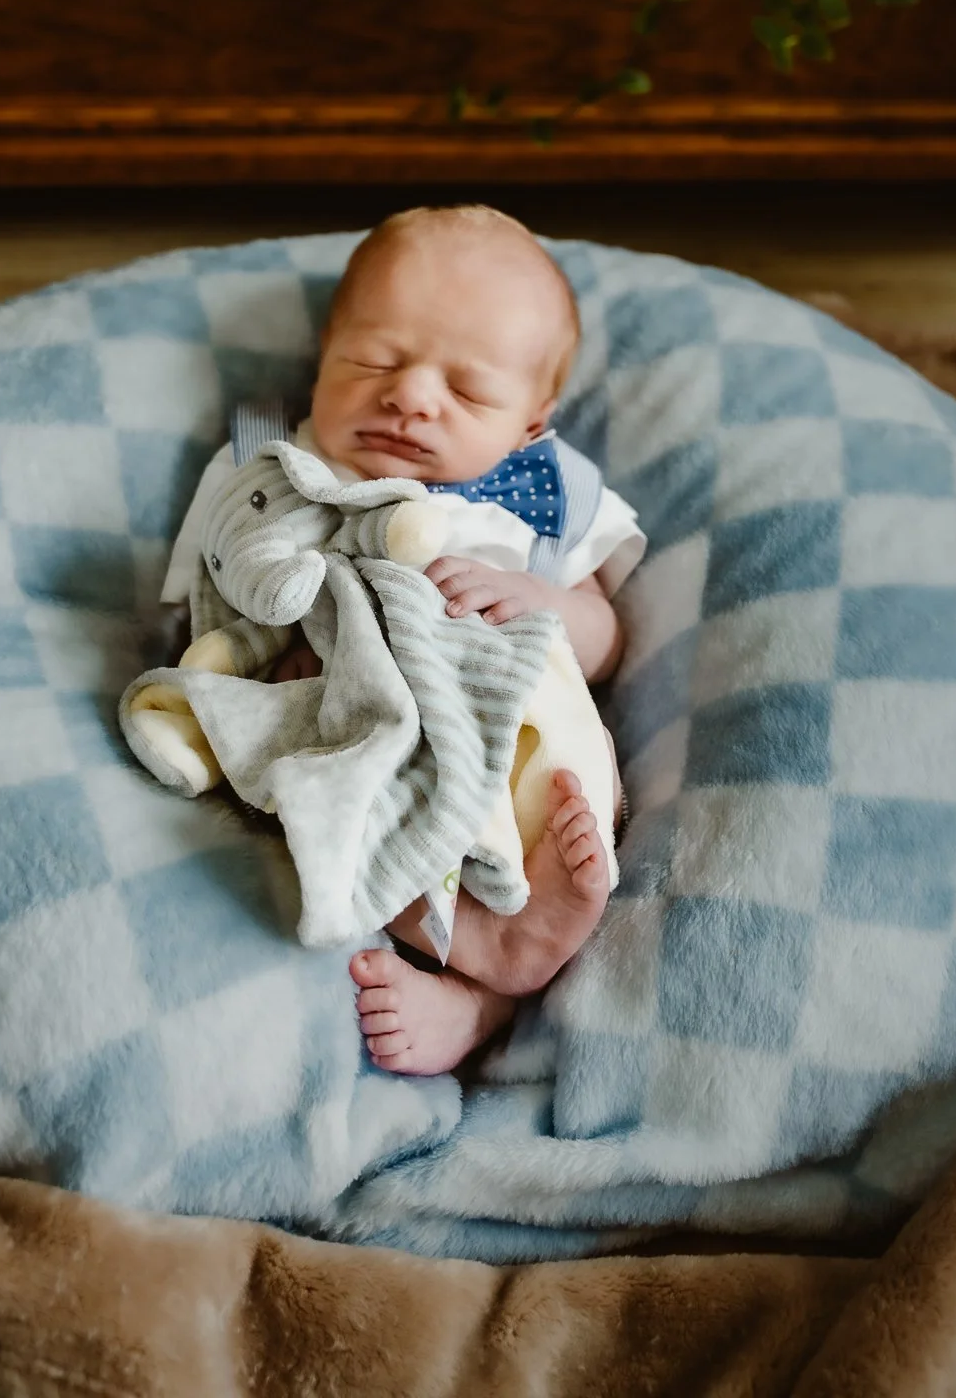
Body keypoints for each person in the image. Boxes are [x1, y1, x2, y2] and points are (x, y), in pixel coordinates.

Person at [160, 204, 645, 1073]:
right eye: (373, 361)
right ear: (321, 362)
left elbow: (606, 642)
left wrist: (532, 596)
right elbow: (208, 602)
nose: (410, 396)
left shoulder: (537, 498)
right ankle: (483, 970)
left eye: (466, 392)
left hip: (509, 726)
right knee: (345, 803)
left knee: (574, 787)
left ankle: (488, 995)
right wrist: (276, 645)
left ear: (532, 424)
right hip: (347, 719)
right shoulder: (274, 469)